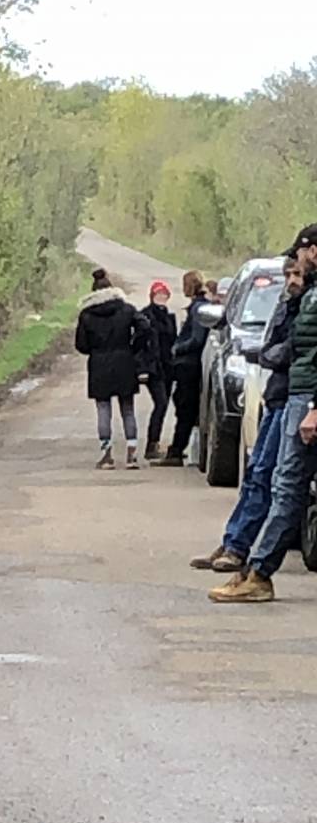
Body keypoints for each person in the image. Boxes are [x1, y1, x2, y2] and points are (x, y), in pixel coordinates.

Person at [210, 225, 317, 602]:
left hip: (305, 400)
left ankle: (258, 573)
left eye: (300, 256)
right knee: (282, 484)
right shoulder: (307, 295)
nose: (296, 264)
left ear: (313, 251)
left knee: (287, 485)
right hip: (296, 396)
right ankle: (254, 569)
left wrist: (314, 408)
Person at [191, 256, 305, 573]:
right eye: (288, 274)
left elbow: (292, 348)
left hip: (295, 398)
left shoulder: (306, 306)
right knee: (257, 472)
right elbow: (273, 344)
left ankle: (253, 560)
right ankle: (235, 543)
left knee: (277, 479)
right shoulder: (289, 304)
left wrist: (273, 355)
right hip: (277, 395)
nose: (291, 280)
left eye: (297, 273)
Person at [75, 268, 151, 470]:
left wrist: (95, 348)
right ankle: (132, 455)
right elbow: (145, 326)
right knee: (127, 408)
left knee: (103, 408)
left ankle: (106, 454)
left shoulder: (87, 314)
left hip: (99, 364)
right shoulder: (126, 309)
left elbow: (81, 345)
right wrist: (134, 347)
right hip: (125, 361)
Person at [156, 270, 210, 466]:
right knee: (184, 405)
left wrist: (177, 348)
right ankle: (178, 449)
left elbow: (197, 339)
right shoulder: (199, 307)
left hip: (190, 366)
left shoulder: (199, 310)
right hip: (189, 366)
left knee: (185, 407)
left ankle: (177, 451)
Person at [140, 280, 177, 459]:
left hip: (168, 367)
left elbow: (173, 340)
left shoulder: (169, 317)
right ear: (152, 295)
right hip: (153, 368)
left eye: (164, 294)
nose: (161, 297)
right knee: (160, 403)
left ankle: (155, 442)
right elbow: (139, 344)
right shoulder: (144, 316)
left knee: (164, 404)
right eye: (158, 294)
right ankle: (151, 444)